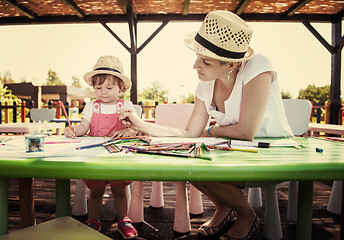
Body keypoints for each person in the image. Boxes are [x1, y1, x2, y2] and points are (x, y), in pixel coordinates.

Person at [119, 10, 293, 240]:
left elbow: (246, 131)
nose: (195, 67)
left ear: (230, 65)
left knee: (201, 164)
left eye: (205, 62)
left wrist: (211, 131)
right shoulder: (205, 85)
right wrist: (140, 123)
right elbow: (188, 133)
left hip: (272, 154)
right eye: (197, 58)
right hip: (236, 153)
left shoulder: (258, 65)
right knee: (189, 164)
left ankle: (247, 216)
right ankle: (225, 209)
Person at [64, 55, 138, 239]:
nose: (103, 92)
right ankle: (93, 220)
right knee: (95, 191)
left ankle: (123, 220)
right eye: (98, 88)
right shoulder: (91, 106)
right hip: (95, 157)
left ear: (120, 87)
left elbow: (135, 128)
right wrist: (74, 131)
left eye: (109, 87)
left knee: (120, 191)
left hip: (118, 156)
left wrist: (128, 132)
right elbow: (83, 127)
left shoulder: (126, 105)